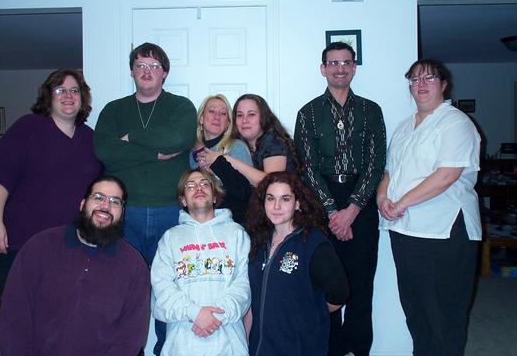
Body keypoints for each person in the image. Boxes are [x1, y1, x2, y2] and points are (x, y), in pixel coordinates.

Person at [94, 42, 197, 354]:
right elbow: (105, 151)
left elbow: (179, 138)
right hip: (126, 213)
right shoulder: (114, 110)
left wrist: (131, 138)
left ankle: (165, 349)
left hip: (171, 212)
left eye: (154, 66)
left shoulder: (181, 107)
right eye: (140, 65)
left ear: (164, 73)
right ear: (131, 72)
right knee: (122, 288)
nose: (147, 71)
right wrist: (155, 153)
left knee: (171, 289)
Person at [377, 59, 481, 356]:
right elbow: (389, 172)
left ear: (444, 84)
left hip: (444, 230)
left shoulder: (456, 123)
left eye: (429, 78)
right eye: (414, 79)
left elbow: (447, 175)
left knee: (444, 311)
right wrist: (382, 199)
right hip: (405, 228)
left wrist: (401, 203)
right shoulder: (404, 127)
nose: (420, 84)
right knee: (415, 307)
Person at [294, 41, 386, 356]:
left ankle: (358, 348)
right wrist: (333, 211)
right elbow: (306, 167)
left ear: (354, 67)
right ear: (323, 69)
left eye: (346, 62)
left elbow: (376, 164)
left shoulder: (371, 110)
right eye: (333, 63)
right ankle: (330, 348)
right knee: (326, 281)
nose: (340, 68)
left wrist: (352, 209)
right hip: (322, 202)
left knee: (362, 281)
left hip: (362, 201)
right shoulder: (308, 113)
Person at [0, 175, 150, 356]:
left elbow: (130, 336)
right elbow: (13, 317)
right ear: (82, 204)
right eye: (98, 197)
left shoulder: (134, 265)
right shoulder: (39, 247)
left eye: (114, 202)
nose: (105, 206)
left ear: (122, 213)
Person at [0, 68, 102, 294]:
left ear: (82, 98)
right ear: (49, 96)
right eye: (60, 90)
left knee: (64, 305)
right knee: (20, 306)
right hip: (24, 240)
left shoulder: (91, 138)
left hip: (72, 242)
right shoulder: (26, 128)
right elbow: (0, 177)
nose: (68, 96)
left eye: (74, 91)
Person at [246, 172, 348, 356]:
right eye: (271, 198)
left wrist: (308, 312)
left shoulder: (314, 244)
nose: (276, 206)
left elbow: (339, 295)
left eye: (285, 199)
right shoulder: (258, 243)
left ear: (298, 203)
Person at [151, 169, 250, 356]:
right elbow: (161, 289)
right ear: (183, 200)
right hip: (181, 345)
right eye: (190, 186)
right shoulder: (170, 238)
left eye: (205, 184)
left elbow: (244, 285)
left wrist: (213, 317)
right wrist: (194, 312)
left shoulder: (237, 234)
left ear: (215, 197)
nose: (199, 188)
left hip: (229, 345)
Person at [191, 94, 253, 225]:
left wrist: (217, 166)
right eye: (211, 111)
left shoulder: (237, 147)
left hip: (232, 224)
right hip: (197, 223)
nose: (217, 117)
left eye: (223, 113)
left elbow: (245, 193)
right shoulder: (190, 151)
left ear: (228, 123)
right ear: (201, 118)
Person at [227, 94, 299, 186]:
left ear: (263, 117)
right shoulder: (238, 145)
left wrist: (230, 161)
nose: (244, 120)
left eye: (251, 114)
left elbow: (271, 184)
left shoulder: (274, 142)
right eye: (240, 115)